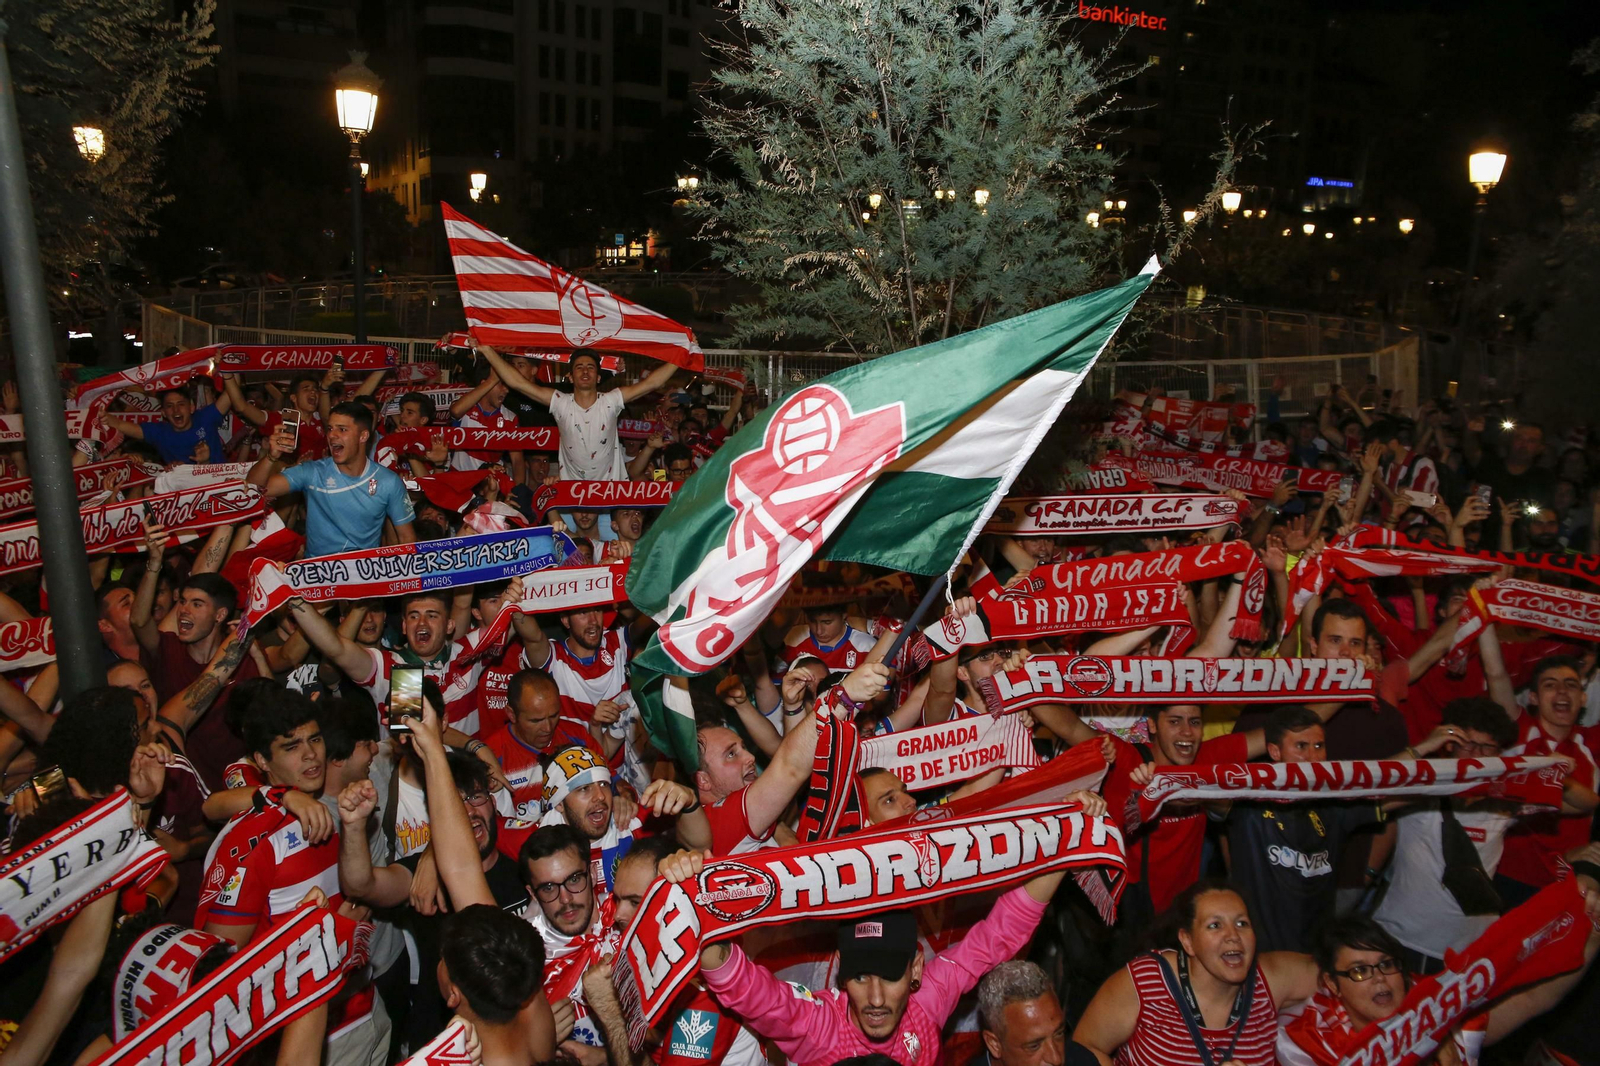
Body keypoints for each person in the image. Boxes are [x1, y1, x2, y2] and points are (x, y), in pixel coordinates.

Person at [658, 844, 1074, 1066]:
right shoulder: (817, 1026)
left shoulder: (928, 1000)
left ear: (915, 968)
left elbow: (1000, 932)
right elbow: (745, 987)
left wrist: (1070, 843)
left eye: (890, 976)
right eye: (861, 977)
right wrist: (694, 896)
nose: (875, 999)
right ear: (841, 972)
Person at [1279, 910, 1600, 1066]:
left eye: (1387, 964)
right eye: (1360, 970)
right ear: (1332, 985)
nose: (1379, 978)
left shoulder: (1439, 1006)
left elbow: (1532, 998)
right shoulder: (1309, 1042)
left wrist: (1593, 928)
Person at [1072, 880, 1320, 1066]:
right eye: (1215, 925)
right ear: (1188, 941)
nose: (1232, 935)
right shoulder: (1147, 981)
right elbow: (1084, 1048)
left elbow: (1342, 971)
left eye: (1242, 923)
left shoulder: (1271, 980)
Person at [1222, 706, 1383, 953]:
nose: (1312, 757)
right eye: (1301, 746)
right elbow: (1206, 786)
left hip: (1315, 955)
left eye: (1319, 746)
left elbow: (1393, 782)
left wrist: (1423, 752)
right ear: (1275, 751)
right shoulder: (1247, 803)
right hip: (1261, 957)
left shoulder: (1333, 805)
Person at [477, 344, 678, 480]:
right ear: (570, 377)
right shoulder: (560, 402)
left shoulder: (611, 400)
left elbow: (653, 382)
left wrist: (681, 355)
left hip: (609, 494)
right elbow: (516, 382)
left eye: (590, 367)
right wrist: (486, 350)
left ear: (598, 377)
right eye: (579, 367)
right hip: (572, 496)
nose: (585, 371)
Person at [247, 400, 416, 557]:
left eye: (342, 429)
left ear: (363, 436)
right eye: (329, 428)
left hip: (363, 576)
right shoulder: (313, 472)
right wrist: (271, 457)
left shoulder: (388, 481)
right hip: (317, 577)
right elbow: (252, 490)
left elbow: (407, 539)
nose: (332, 435)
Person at [975, 961, 1099, 1066]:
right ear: (994, 1044)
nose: (1056, 1058)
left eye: (1059, 1034)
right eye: (1034, 1046)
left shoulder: (1082, 1060)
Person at [101, 384, 231, 464]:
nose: (176, 410)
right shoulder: (160, 432)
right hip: (183, 494)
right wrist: (100, 414)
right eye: (170, 406)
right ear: (163, 412)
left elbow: (231, 393)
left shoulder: (205, 418)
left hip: (218, 484)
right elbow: (120, 425)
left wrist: (228, 364)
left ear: (191, 407)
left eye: (181, 404)